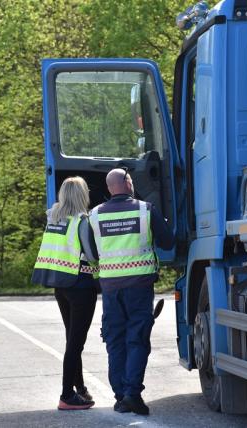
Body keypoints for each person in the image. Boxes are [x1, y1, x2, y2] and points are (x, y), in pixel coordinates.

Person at [87, 168, 174, 415]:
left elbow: (92, 253)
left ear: (109, 187)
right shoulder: (145, 209)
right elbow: (168, 242)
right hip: (139, 287)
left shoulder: (94, 215)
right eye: (131, 180)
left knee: (115, 340)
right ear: (127, 183)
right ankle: (132, 394)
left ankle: (120, 396)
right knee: (137, 339)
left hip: (111, 288)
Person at [31, 176, 100, 411]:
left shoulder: (55, 219)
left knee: (72, 339)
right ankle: (66, 394)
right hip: (80, 286)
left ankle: (79, 389)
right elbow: (92, 256)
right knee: (75, 343)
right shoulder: (82, 222)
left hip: (60, 285)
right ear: (82, 195)